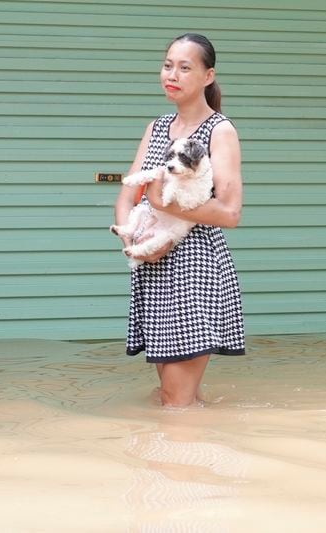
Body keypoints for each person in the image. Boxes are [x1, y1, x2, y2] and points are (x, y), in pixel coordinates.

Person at [113, 33, 245, 407]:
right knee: (175, 399)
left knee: (174, 402)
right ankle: (193, 458)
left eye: (185, 67)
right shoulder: (155, 128)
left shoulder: (220, 131)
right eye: (168, 64)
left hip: (195, 271)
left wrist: (163, 204)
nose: (172, 74)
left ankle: (186, 458)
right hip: (154, 271)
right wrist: (133, 246)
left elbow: (231, 213)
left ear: (208, 76)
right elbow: (126, 197)